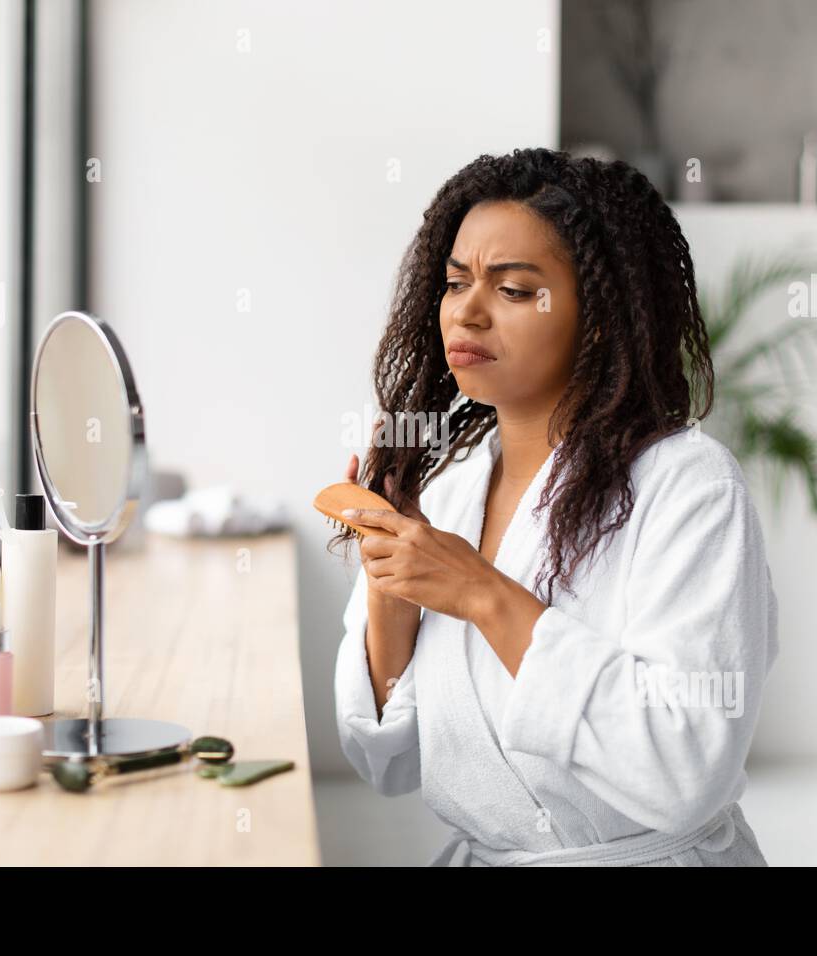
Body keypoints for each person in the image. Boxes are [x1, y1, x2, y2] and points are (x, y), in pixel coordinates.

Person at [332, 147, 778, 866]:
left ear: (599, 317)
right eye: (454, 282)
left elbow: (691, 768)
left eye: (512, 290)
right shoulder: (443, 497)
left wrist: (481, 592)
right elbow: (386, 763)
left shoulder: (690, 488)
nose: (467, 311)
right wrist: (392, 590)